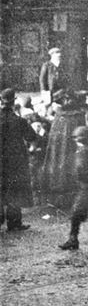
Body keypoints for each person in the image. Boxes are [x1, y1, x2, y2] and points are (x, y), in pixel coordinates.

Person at [0, 89, 34, 232]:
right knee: (14, 191)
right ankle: (14, 223)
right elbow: (32, 137)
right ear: (14, 102)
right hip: (15, 162)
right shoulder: (19, 121)